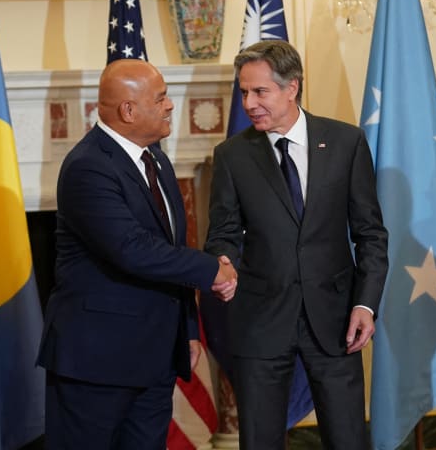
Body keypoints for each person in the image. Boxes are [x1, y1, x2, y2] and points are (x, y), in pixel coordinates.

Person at [36, 58, 237, 449]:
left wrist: (189, 328)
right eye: (160, 98)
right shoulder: (88, 167)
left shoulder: (156, 159)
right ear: (128, 110)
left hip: (154, 358)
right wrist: (213, 269)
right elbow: (132, 249)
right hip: (96, 364)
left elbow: (171, 249)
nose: (170, 105)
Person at [204, 40, 388, 449]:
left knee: (348, 439)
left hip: (336, 319)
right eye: (244, 91)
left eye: (259, 92)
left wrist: (365, 304)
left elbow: (371, 233)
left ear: (292, 87)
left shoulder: (345, 142)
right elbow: (223, 233)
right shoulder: (232, 156)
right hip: (261, 321)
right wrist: (223, 263)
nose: (249, 103)